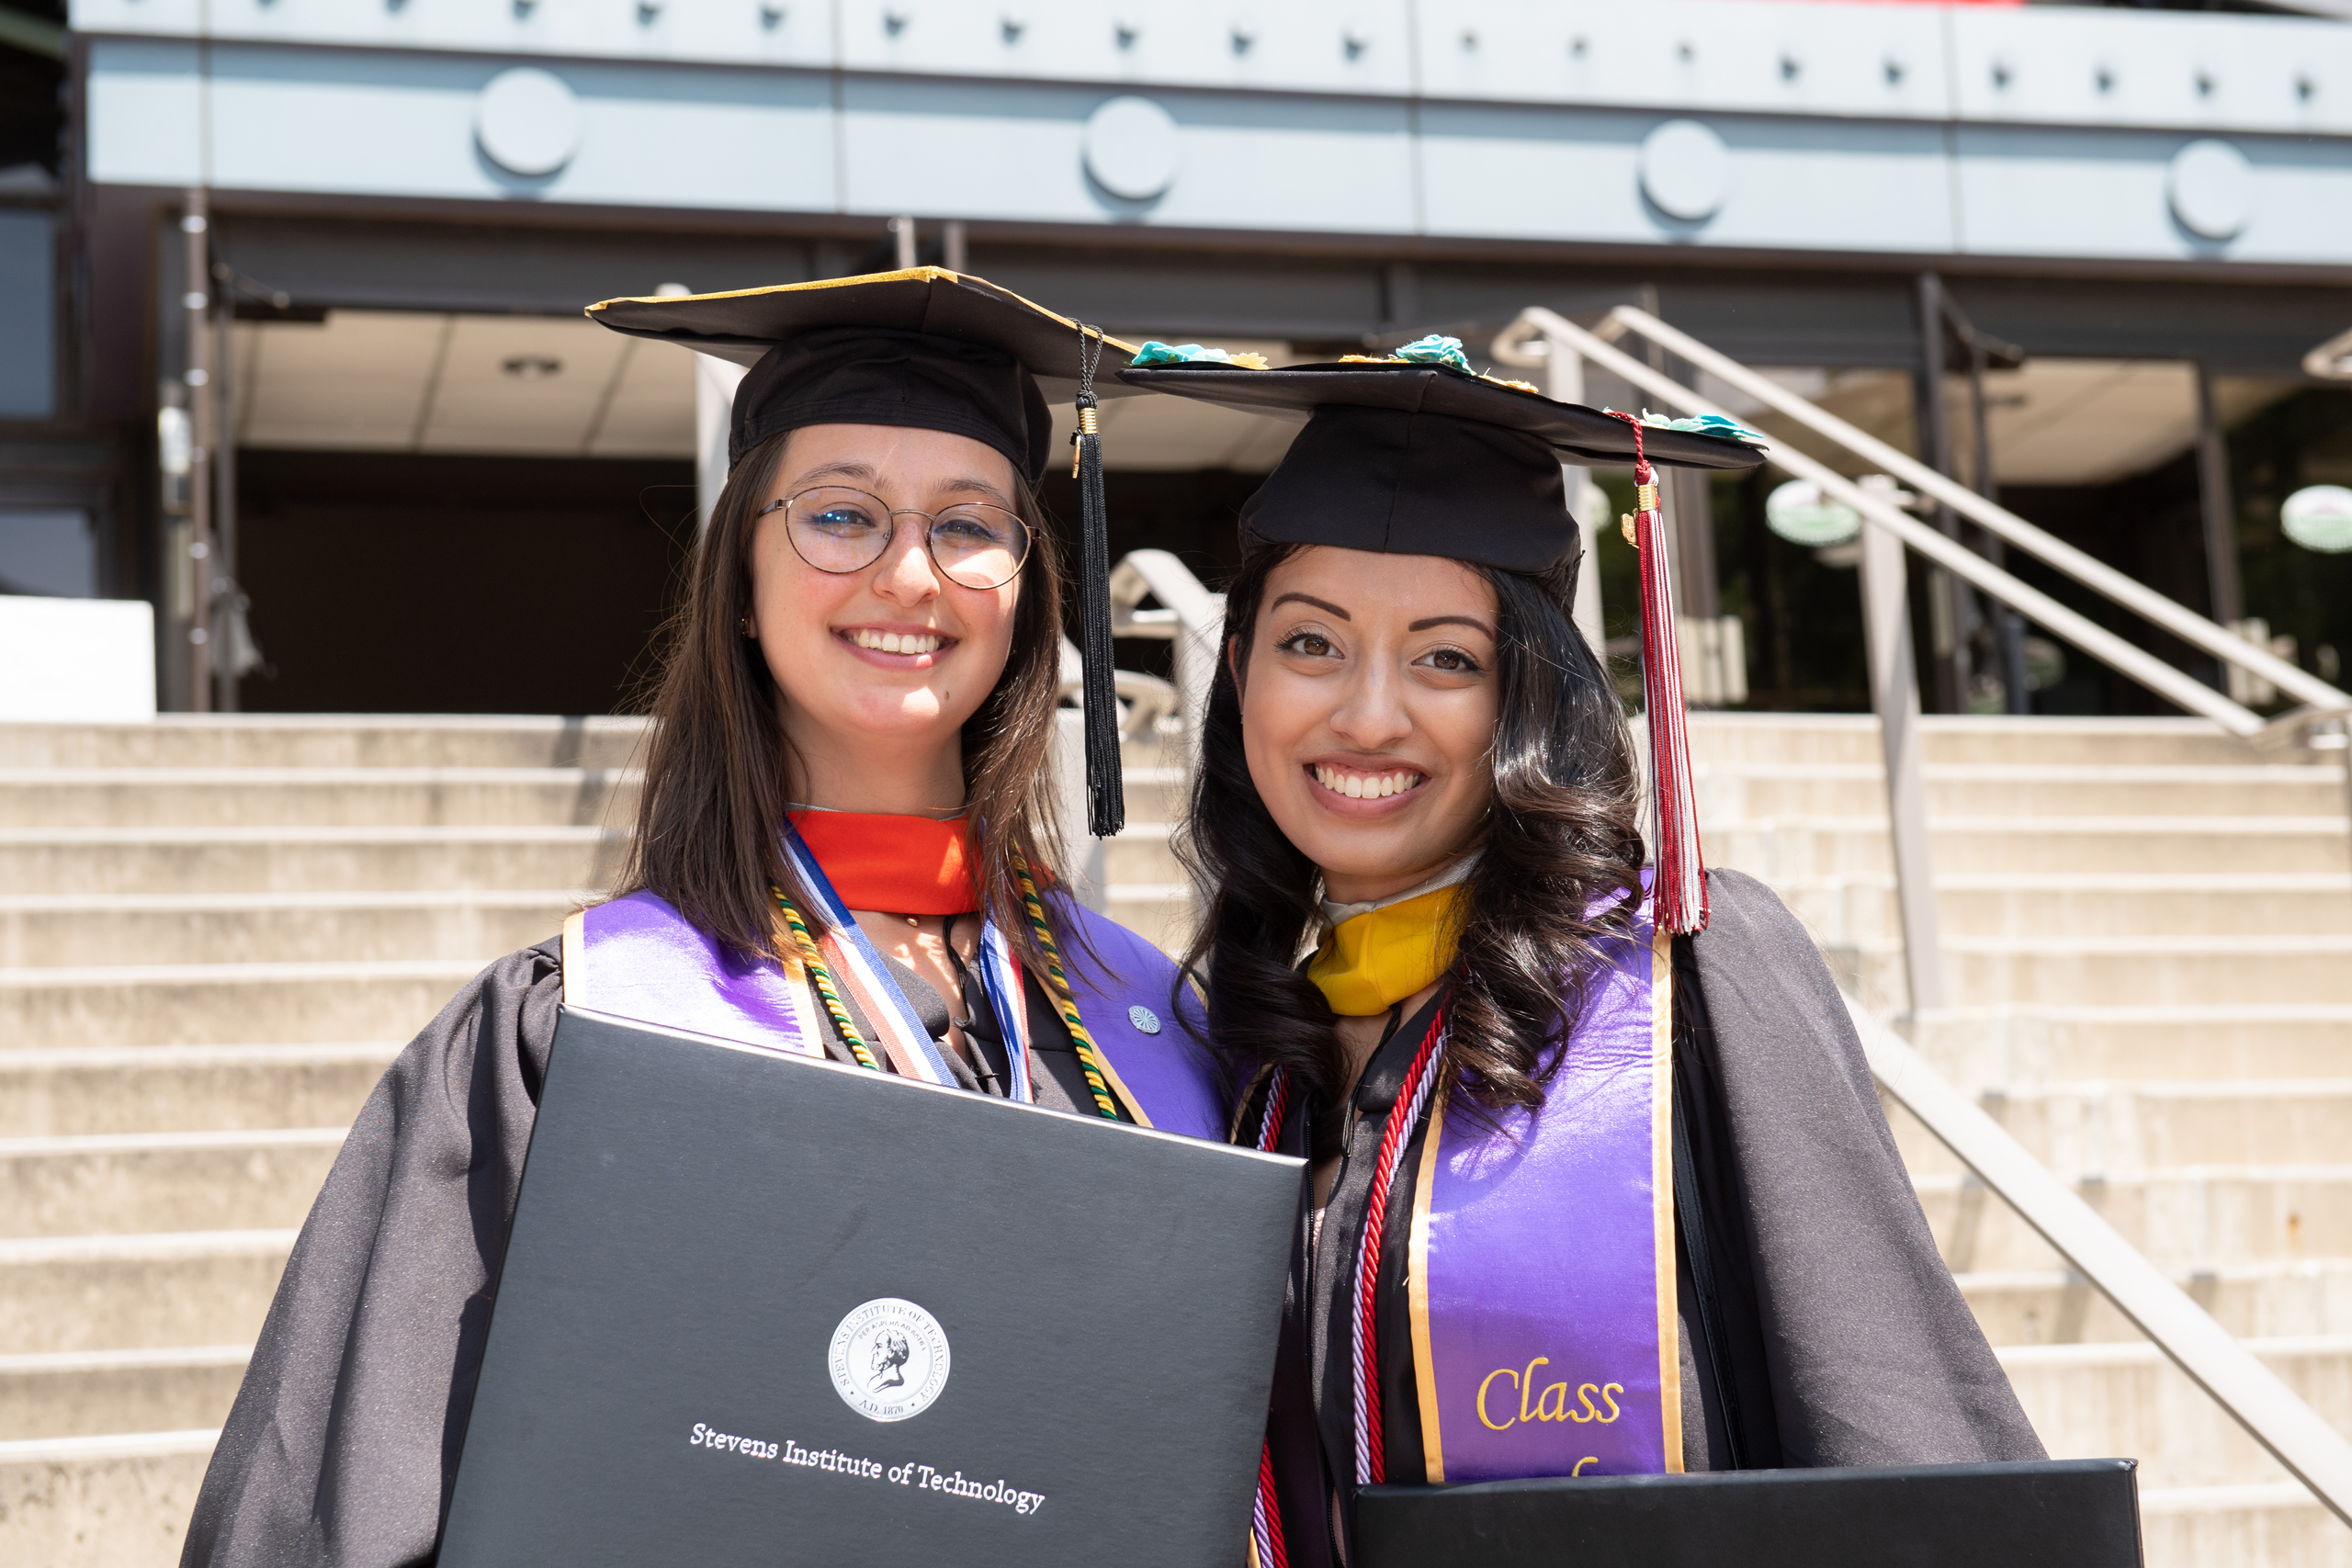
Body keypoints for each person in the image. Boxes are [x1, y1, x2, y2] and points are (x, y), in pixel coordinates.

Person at [182, 270, 1223, 1568]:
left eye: (970, 525)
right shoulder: (581, 1022)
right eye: (841, 514)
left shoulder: (1151, 1029)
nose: (911, 573)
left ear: (1024, 595)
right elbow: (341, 1509)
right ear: (738, 575)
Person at [1123, 336, 2044, 1568]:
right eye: (1310, 643)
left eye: (1448, 657)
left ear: (1530, 697)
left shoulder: (1681, 972)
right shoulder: (1251, 1060)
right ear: (1237, 672)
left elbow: (1878, 1402)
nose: (1367, 711)